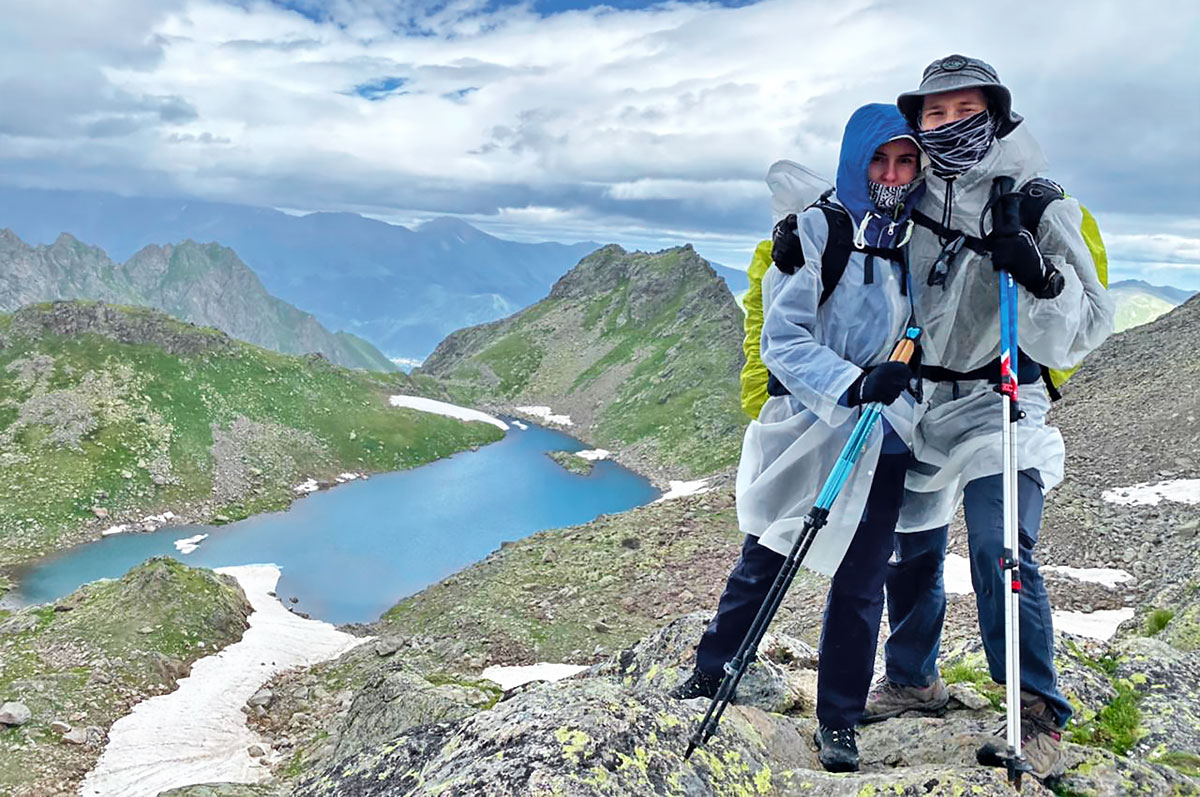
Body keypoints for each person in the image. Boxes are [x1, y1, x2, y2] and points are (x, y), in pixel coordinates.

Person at [860, 55, 1115, 781]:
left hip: (1003, 397)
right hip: (926, 399)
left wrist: (1038, 272)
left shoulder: (1036, 201)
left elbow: (1091, 322)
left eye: (963, 110)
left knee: (1001, 543)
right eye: (933, 115)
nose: (948, 126)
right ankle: (913, 678)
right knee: (909, 549)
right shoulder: (908, 192)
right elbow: (853, 236)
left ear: (995, 112)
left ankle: (1036, 708)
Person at [669, 103, 925, 774]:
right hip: (818, 423)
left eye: (905, 161)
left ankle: (838, 720)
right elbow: (781, 339)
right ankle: (713, 666)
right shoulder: (816, 231)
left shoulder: (918, 241)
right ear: (855, 160)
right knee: (771, 548)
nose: (893, 174)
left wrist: (895, 383)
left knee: (863, 579)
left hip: (886, 432)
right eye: (881, 159)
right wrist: (852, 382)